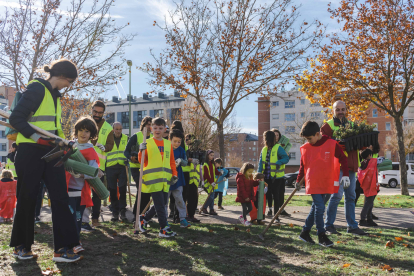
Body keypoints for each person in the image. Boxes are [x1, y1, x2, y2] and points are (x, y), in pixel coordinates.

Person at [9, 58, 82, 262]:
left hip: (51, 152)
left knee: (60, 197)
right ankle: (21, 246)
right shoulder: (36, 89)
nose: (69, 86)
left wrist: (63, 141)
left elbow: (52, 128)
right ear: (64, 77)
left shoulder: (55, 96)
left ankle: (63, 249)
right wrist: (35, 138)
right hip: (29, 152)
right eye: (70, 82)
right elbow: (16, 119)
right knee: (28, 198)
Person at [296, 121, 349, 247]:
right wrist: (298, 181)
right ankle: (322, 236)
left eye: (309, 138)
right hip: (313, 182)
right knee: (320, 207)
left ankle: (305, 232)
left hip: (327, 181)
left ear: (317, 133)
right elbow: (302, 166)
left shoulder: (331, 144)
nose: (308, 141)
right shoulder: (306, 148)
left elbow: (343, 159)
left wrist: (346, 175)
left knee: (316, 207)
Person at [322, 101, 367, 236]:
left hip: (351, 166)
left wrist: (362, 145)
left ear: (346, 110)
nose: (340, 112)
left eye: (343, 109)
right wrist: (335, 144)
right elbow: (323, 145)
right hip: (337, 167)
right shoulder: (328, 126)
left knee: (351, 197)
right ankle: (328, 225)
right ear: (333, 111)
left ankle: (352, 226)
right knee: (336, 196)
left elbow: (359, 145)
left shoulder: (352, 125)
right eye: (338, 109)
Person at [65, 116, 102, 254]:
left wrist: (80, 175)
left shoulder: (90, 150)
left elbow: (93, 172)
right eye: (81, 130)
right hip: (67, 188)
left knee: (78, 218)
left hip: (80, 191)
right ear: (76, 131)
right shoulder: (69, 146)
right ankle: (68, 242)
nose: (83, 133)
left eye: (87, 131)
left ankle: (76, 242)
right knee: (68, 216)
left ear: (91, 135)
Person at [137, 117, 178, 237]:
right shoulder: (147, 143)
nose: (158, 130)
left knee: (162, 203)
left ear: (165, 129)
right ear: (151, 129)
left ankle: (144, 218)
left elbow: (171, 161)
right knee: (160, 205)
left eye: (160, 128)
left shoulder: (167, 144)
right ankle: (163, 228)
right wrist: (141, 151)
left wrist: (174, 174)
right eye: (155, 128)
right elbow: (142, 161)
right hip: (153, 179)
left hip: (165, 180)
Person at [80, 100, 113, 229]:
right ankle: (82, 219)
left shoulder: (108, 128)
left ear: (103, 113)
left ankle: (95, 219)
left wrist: (104, 147)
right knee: (83, 192)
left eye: (100, 113)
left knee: (97, 194)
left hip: (99, 167)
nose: (97, 114)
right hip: (83, 163)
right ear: (91, 110)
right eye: (95, 111)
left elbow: (110, 145)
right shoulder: (85, 123)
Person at [124, 116, 153, 222]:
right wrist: (131, 158)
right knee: (141, 190)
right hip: (136, 168)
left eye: (151, 124)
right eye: (147, 124)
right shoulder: (136, 136)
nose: (149, 127)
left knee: (147, 191)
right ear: (143, 125)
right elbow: (126, 151)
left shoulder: (154, 138)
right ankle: (137, 214)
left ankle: (143, 214)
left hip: (148, 168)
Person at [257, 130, 289, 223]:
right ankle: (261, 216)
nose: (264, 140)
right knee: (264, 197)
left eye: (265, 138)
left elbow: (286, 158)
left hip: (276, 178)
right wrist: (259, 174)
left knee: (276, 197)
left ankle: (276, 217)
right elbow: (260, 163)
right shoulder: (264, 149)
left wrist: (279, 162)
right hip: (265, 177)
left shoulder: (278, 148)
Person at [167, 129, 191, 227]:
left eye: (179, 142)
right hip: (167, 179)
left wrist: (181, 161)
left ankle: (182, 219)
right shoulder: (166, 149)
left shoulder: (181, 150)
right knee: (164, 200)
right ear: (170, 139)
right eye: (175, 141)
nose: (177, 143)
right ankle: (163, 220)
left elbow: (185, 163)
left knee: (180, 199)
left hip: (178, 179)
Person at [106, 122, 128, 222]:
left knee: (123, 190)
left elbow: (129, 151)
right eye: (116, 129)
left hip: (123, 167)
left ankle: (122, 211)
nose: (118, 131)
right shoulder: (108, 138)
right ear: (113, 129)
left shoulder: (126, 138)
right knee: (113, 190)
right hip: (111, 167)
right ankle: (115, 212)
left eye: (120, 129)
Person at [269, 128, 292, 217]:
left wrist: (287, 156)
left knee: (281, 192)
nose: (276, 137)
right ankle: (271, 210)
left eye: (277, 135)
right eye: (274, 135)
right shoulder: (270, 146)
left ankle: (281, 210)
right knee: (271, 194)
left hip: (280, 174)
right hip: (271, 174)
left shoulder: (281, 147)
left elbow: (286, 159)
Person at [357, 149, 379, 227]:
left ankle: (369, 219)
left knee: (369, 202)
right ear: (369, 155)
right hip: (372, 184)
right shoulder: (372, 161)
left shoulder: (362, 163)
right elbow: (382, 160)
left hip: (366, 184)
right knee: (368, 203)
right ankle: (362, 220)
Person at [184, 134, 201, 223]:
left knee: (194, 199)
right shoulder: (185, 150)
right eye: (187, 139)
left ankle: (192, 215)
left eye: (190, 140)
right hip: (187, 177)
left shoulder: (196, 151)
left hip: (195, 179)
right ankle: (186, 215)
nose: (188, 141)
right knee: (186, 198)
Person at [201, 149, 221, 215]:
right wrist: (211, 182)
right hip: (207, 183)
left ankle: (211, 209)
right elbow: (206, 175)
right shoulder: (205, 164)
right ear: (207, 155)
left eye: (213, 155)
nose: (212, 157)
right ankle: (204, 207)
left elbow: (215, 171)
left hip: (212, 183)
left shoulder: (212, 164)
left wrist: (219, 173)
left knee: (212, 196)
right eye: (211, 155)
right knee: (211, 196)